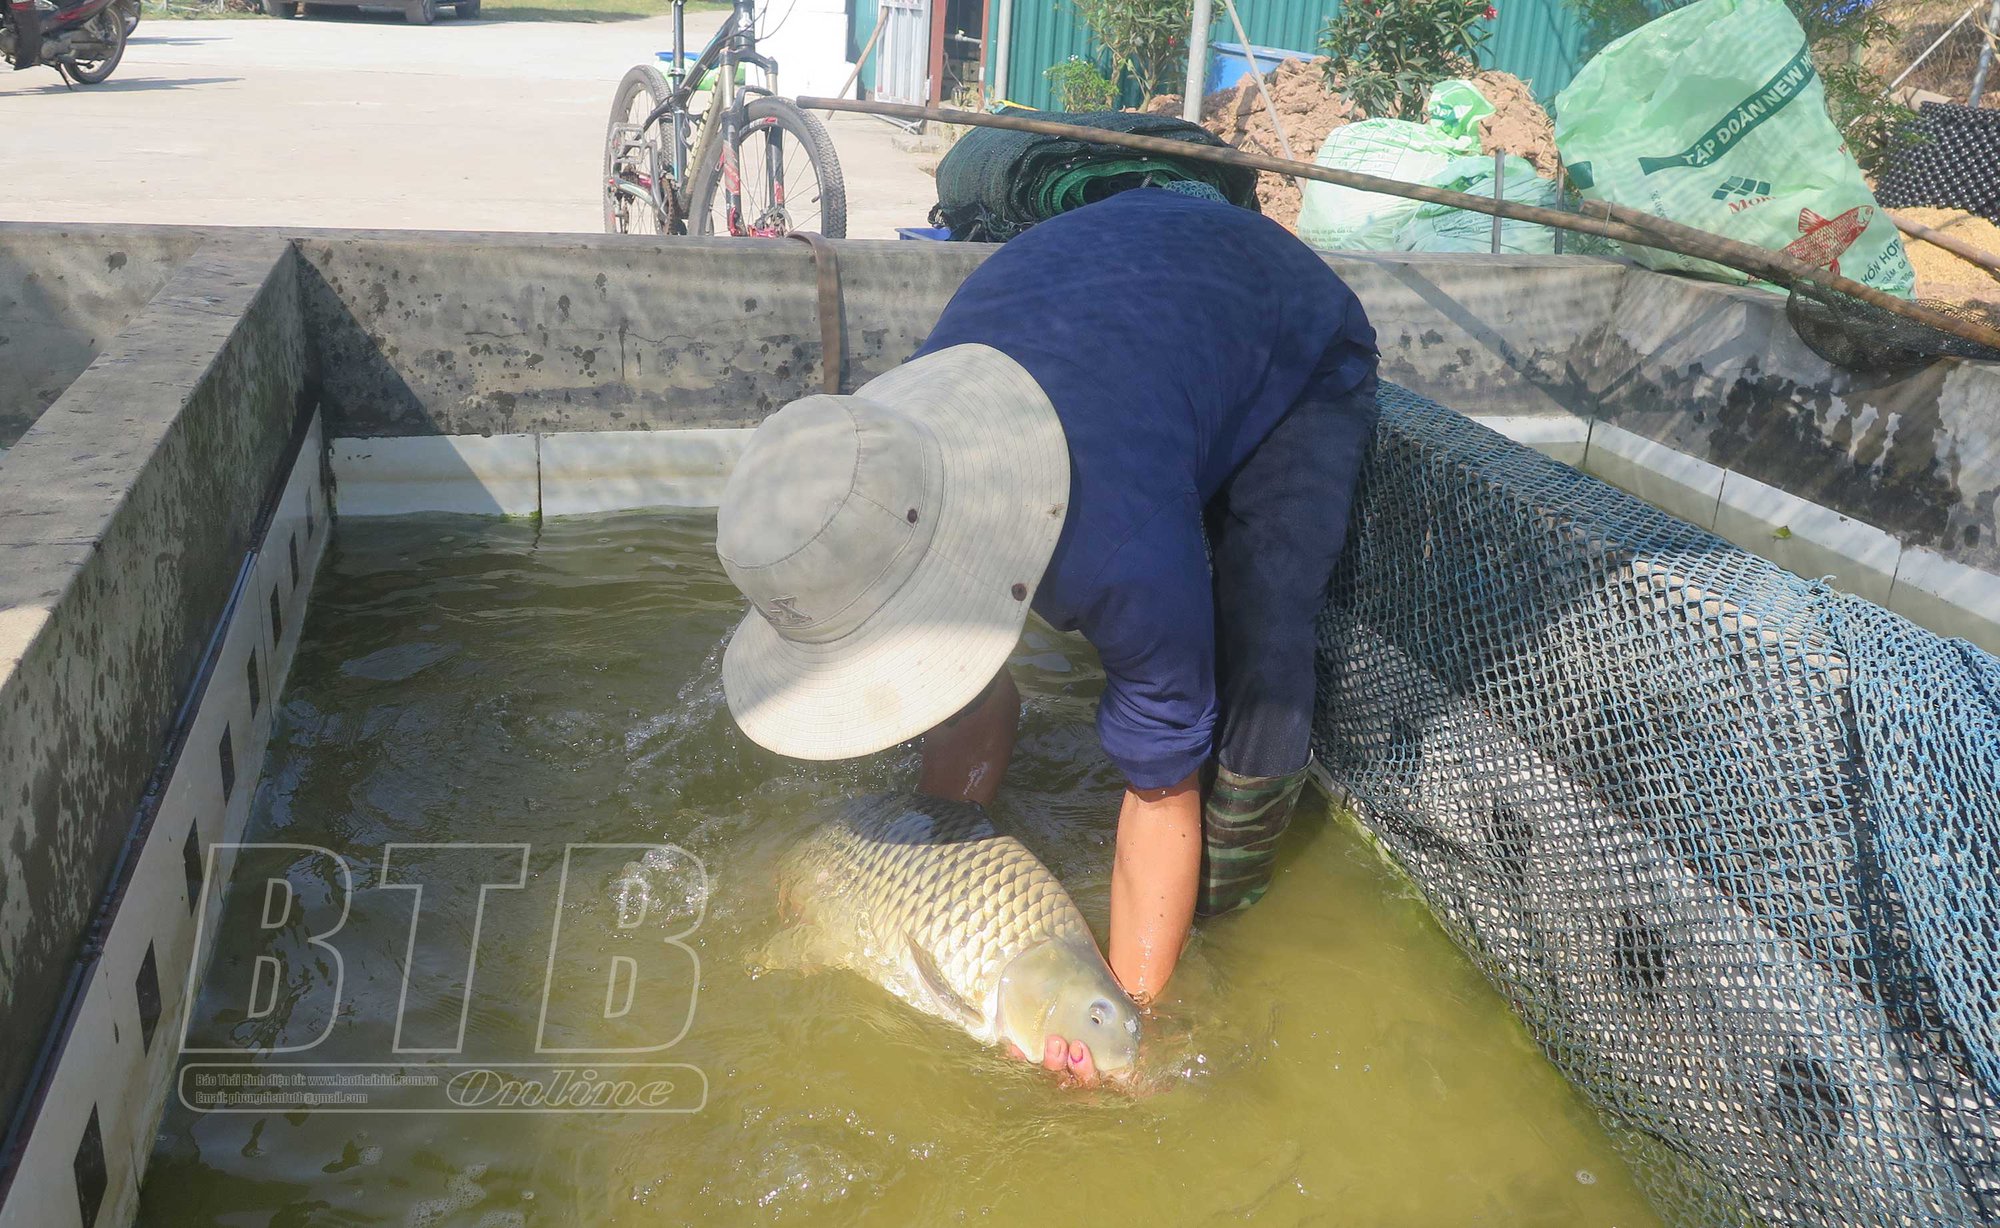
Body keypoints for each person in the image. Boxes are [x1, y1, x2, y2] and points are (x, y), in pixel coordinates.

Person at [715, 187, 1379, 1082]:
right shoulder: (885, 455)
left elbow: (1160, 793)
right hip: (1121, 299)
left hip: (1283, 328)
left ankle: (1234, 883)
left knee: (1259, 645)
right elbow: (950, 655)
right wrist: (936, 844)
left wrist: (1128, 1018)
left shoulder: (1113, 547)